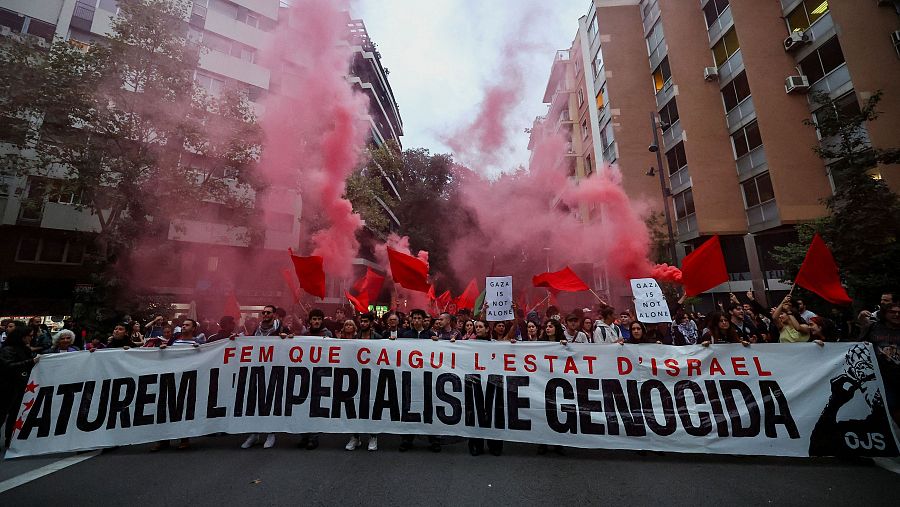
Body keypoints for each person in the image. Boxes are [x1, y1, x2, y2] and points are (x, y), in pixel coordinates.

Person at [398, 309, 439, 452]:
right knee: (409, 407)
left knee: (428, 407)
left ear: (423, 320)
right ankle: (407, 439)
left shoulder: (431, 335)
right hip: (410, 378)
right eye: (414, 318)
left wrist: (437, 342)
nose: (416, 320)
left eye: (418, 318)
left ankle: (433, 439)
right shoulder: (405, 335)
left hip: (427, 378)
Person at [467, 319, 504, 456]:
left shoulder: (495, 344)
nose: (477, 329)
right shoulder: (468, 344)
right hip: (475, 379)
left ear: (487, 329)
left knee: (494, 411)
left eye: (480, 327)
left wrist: (513, 345)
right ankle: (476, 444)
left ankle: (494, 444)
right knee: (475, 412)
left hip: (492, 380)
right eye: (476, 327)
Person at [345, 312, 381, 452]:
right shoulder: (355, 338)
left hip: (372, 376)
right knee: (355, 406)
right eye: (362, 321)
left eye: (366, 321)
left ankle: (373, 436)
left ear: (371, 323)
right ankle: (355, 437)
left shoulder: (378, 338)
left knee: (372, 406)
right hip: (357, 376)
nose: (363, 324)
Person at [860, 301, 900, 423]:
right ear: (884, 313)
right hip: (882, 377)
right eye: (892, 312)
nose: (897, 315)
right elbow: (857, 345)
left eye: (899, 312)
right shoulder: (873, 327)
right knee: (891, 405)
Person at [0, 326, 38, 449]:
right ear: (22, 337)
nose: (32, 338)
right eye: (30, 335)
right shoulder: (8, 349)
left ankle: (10, 439)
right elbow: (8, 366)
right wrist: (31, 361)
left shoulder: (25, 349)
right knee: (2, 414)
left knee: (15, 415)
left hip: (20, 386)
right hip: (6, 387)